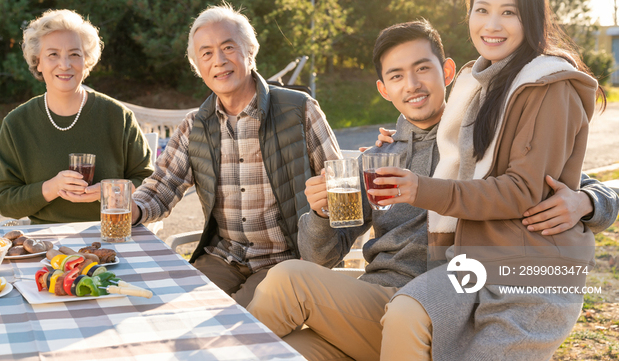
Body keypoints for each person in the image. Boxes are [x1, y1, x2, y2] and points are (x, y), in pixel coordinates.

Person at [247, 19, 618, 360]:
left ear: (448, 72)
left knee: (288, 288)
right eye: (397, 76)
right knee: (283, 332)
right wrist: (322, 213)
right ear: (384, 89)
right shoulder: (377, 159)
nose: (412, 84)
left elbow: (570, 183)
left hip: (448, 304)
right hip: (375, 302)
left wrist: (586, 201)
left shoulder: (484, 141)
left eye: (422, 68)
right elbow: (320, 258)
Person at [372, 0, 608, 360]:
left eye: (509, 12)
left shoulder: (551, 86)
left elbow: (521, 190)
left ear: (531, 18)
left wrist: (419, 187)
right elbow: (451, 147)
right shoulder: (481, 84)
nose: (491, 24)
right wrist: (395, 139)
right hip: (474, 262)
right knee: (406, 310)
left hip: (531, 271)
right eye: (481, 10)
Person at [131, 2, 341, 307]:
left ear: (250, 53)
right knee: (172, 310)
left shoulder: (300, 109)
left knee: (233, 322)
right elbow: (164, 185)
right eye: (206, 53)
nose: (218, 61)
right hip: (222, 257)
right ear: (197, 66)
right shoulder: (195, 125)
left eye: (228, 47)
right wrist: (132, 209)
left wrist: (324, 242)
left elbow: (339, 184)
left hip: (285, 261)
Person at [0, 9, 154, 224]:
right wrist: (51, 188)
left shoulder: (117, 116)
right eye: (53, 54)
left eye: (75, 54)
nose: (65, 64)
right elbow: (5, 202)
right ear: (37, 61)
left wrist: (109, 192)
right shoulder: (16, 124)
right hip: (45, 245)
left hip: (113, 233)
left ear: (86, 61)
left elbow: (149, 183)